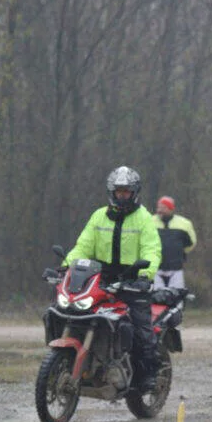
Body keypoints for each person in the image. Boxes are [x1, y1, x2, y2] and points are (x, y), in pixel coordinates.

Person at [63, 166, 162, 391]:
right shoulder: (99, 216)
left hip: (133, 281)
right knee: (70, 311)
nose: (122, 195)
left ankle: (148, 375)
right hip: (101, 278)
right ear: (112, 192)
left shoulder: (144, 218)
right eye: (119, 191)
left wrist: (145, 275)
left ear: (134, 192)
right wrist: (66, 266)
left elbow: (152, 249)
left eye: (126, 191)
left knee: (141, 328)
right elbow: (83, 246)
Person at [152, 195, 197, 290]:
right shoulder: (149, 222)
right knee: (155, 297)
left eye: (163, 208)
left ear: (171, 209)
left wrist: (178, 253)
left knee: (176, 296)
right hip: (155, 269)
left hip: (176, 270)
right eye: (158, 207)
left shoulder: (184, 224)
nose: (159, 210)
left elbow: (191, 243)